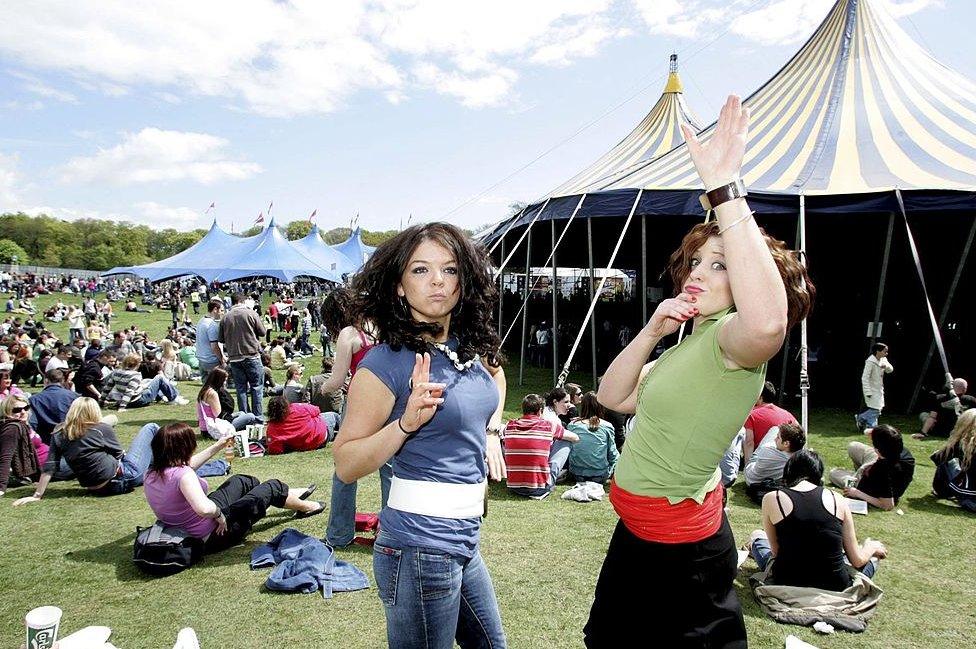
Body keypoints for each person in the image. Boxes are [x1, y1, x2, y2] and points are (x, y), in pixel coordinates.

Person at [584, 96, 815, 648]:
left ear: (747, 284)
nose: (699, 272)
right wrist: (653, 331)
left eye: (721, 265)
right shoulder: (693, 339)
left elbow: (767, 324)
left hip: (679, 546)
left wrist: (724, 189)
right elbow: (613, 397)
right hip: (639, 531)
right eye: (696, 261)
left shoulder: (735, 341)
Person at [333, 222, 508, 648]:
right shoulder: (384, 364)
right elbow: (347, 462)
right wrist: (406, 423)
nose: (437, 281)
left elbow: (496, 381)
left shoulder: (468, 347)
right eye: (420, 270)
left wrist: (490, 431)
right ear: (398, 285)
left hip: (465, 539)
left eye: (449, 270)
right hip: (418, 549)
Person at [144, 422, 324, 554]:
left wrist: (218, 445)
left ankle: (289, 495)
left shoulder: (153, 472)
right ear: (184, 447)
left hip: (187, 526)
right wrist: (219, 516)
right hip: (211, 534)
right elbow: (204, 508)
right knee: (272, 486)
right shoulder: (183, 475)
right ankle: (305, 507)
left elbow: (188, 466)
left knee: (243, 481)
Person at [11, 398, 226, 503]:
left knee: (155, 465)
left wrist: (38, 494)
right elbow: (118, 455)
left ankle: (176, 466)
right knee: (151, 428)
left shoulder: (59, 435)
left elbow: (50, 466)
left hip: (96, 488)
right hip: (123, 478)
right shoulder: (100, 428)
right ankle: (180, 463)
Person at [749, 450, 887, 591]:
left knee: (757, 536)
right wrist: (871, 547)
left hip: (787, 581)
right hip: (836, 586)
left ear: (788, 471)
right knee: (873, 558)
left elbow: (776, 552)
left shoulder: (773, 498)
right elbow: (857, 560)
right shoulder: (837, 499)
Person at [322, 287, 388, 548]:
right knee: (390, 470)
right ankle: (392, 531)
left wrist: (320, 387)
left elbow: (337, 380)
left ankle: (339, 534)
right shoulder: (381, 326)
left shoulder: (348, 334)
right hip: (389, 402)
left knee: (345, 471)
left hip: (359, 405)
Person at [504, 393, 578, 498]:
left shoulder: (510, 426)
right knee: (566, 442)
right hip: (539, 488)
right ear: (540, 411)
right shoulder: (549, 425)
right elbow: (575, 437)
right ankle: (551, 475)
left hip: (514, 487)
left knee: (507, 442)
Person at [828, 424, 916, 511]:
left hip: (868, 487)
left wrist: (856, 493)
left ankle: (857, 474)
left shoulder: (882, 471)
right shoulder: (900, 450)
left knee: (833, 473)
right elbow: (873, 434)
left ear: (877, 450)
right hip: (878, 465)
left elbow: (888, 505)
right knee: (853, 446)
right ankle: (861, 470)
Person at [218, 293, 266, 416]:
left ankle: (244, 416)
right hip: (251, 355)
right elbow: (262, 332)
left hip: (234, 357)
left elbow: (221, 339)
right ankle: (258, 417)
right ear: (243, 301)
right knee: (256, 387)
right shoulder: (251, 313)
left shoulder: (225, 317)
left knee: (241, 389)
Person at [744, 423, 806, 504]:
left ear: (786, 443)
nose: (775, 439)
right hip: (771, 481)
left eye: (778, 437)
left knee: (774, 429)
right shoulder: (798, 459)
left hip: (751, 478)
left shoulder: (767, 450)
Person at [567, 391, 619, 484]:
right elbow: (612, 453)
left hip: (576, 473)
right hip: (599, 474)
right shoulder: (606, 426)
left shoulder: (573, 425)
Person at [104, 353, 190, 409]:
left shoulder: (116, 373)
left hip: (128, 400)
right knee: (159, 378)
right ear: (137, 364)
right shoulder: (135, 375)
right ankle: (173, 398)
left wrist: (101, 401)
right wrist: (122, 407)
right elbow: (129, 392)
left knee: (148, 381)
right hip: (138, 400)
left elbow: (107, 388)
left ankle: (172, 396)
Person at [742, 380, 797, 466]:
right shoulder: (787, 414)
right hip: (784, 459)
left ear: (760, 397)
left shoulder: (750, 415)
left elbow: (749, 442)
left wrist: (747, 466)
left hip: (761, 459)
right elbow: (800, 434)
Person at [930, 409, 976, 511]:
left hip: (969, 498)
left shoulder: (961, 444)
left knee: (946, 462)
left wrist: (948, 445)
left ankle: (942, 492)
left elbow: (937, 458)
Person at [197, 368, 259, 437]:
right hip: (213, 429)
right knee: (250, 416)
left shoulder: (205, 390)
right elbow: (218, 415)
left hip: (206, 426)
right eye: (224, 380)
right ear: (219, 380)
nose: (225, 383)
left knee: (241, 413)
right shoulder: (212, 394)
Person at [265, 394, 336, 454]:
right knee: (332, 415)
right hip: (321, 434)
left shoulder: (272, 429)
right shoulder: (297, 408)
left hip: (307, 444)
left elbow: (274, 449)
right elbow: (317, 410)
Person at [28, 368, 79, 443]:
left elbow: (32, 424)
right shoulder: (75, 397)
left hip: (46, 441)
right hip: (71, 439)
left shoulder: (34, 399)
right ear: (62, 381)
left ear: (46, 381)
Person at [856, 343, 893, 431]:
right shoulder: (870, 362)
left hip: (879, 388)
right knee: (876, 409)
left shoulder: (884, 359)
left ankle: (861, 419)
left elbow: (890, 369)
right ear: (878, 351)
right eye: (885, 351)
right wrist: (868, 391)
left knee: (878, 408)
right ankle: (871, 427)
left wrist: (886, 366)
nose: (886, 353)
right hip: (871, 389)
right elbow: (864, 378)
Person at [195, 298, 225, 383]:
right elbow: (214, 346)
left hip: (201, 359)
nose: (223, 313)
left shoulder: (201, 320)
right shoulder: (212, 325)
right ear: (215, 309)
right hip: (211, 361)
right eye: (222, 310)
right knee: (217, 388)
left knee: (206, 388)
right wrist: (222, 359)